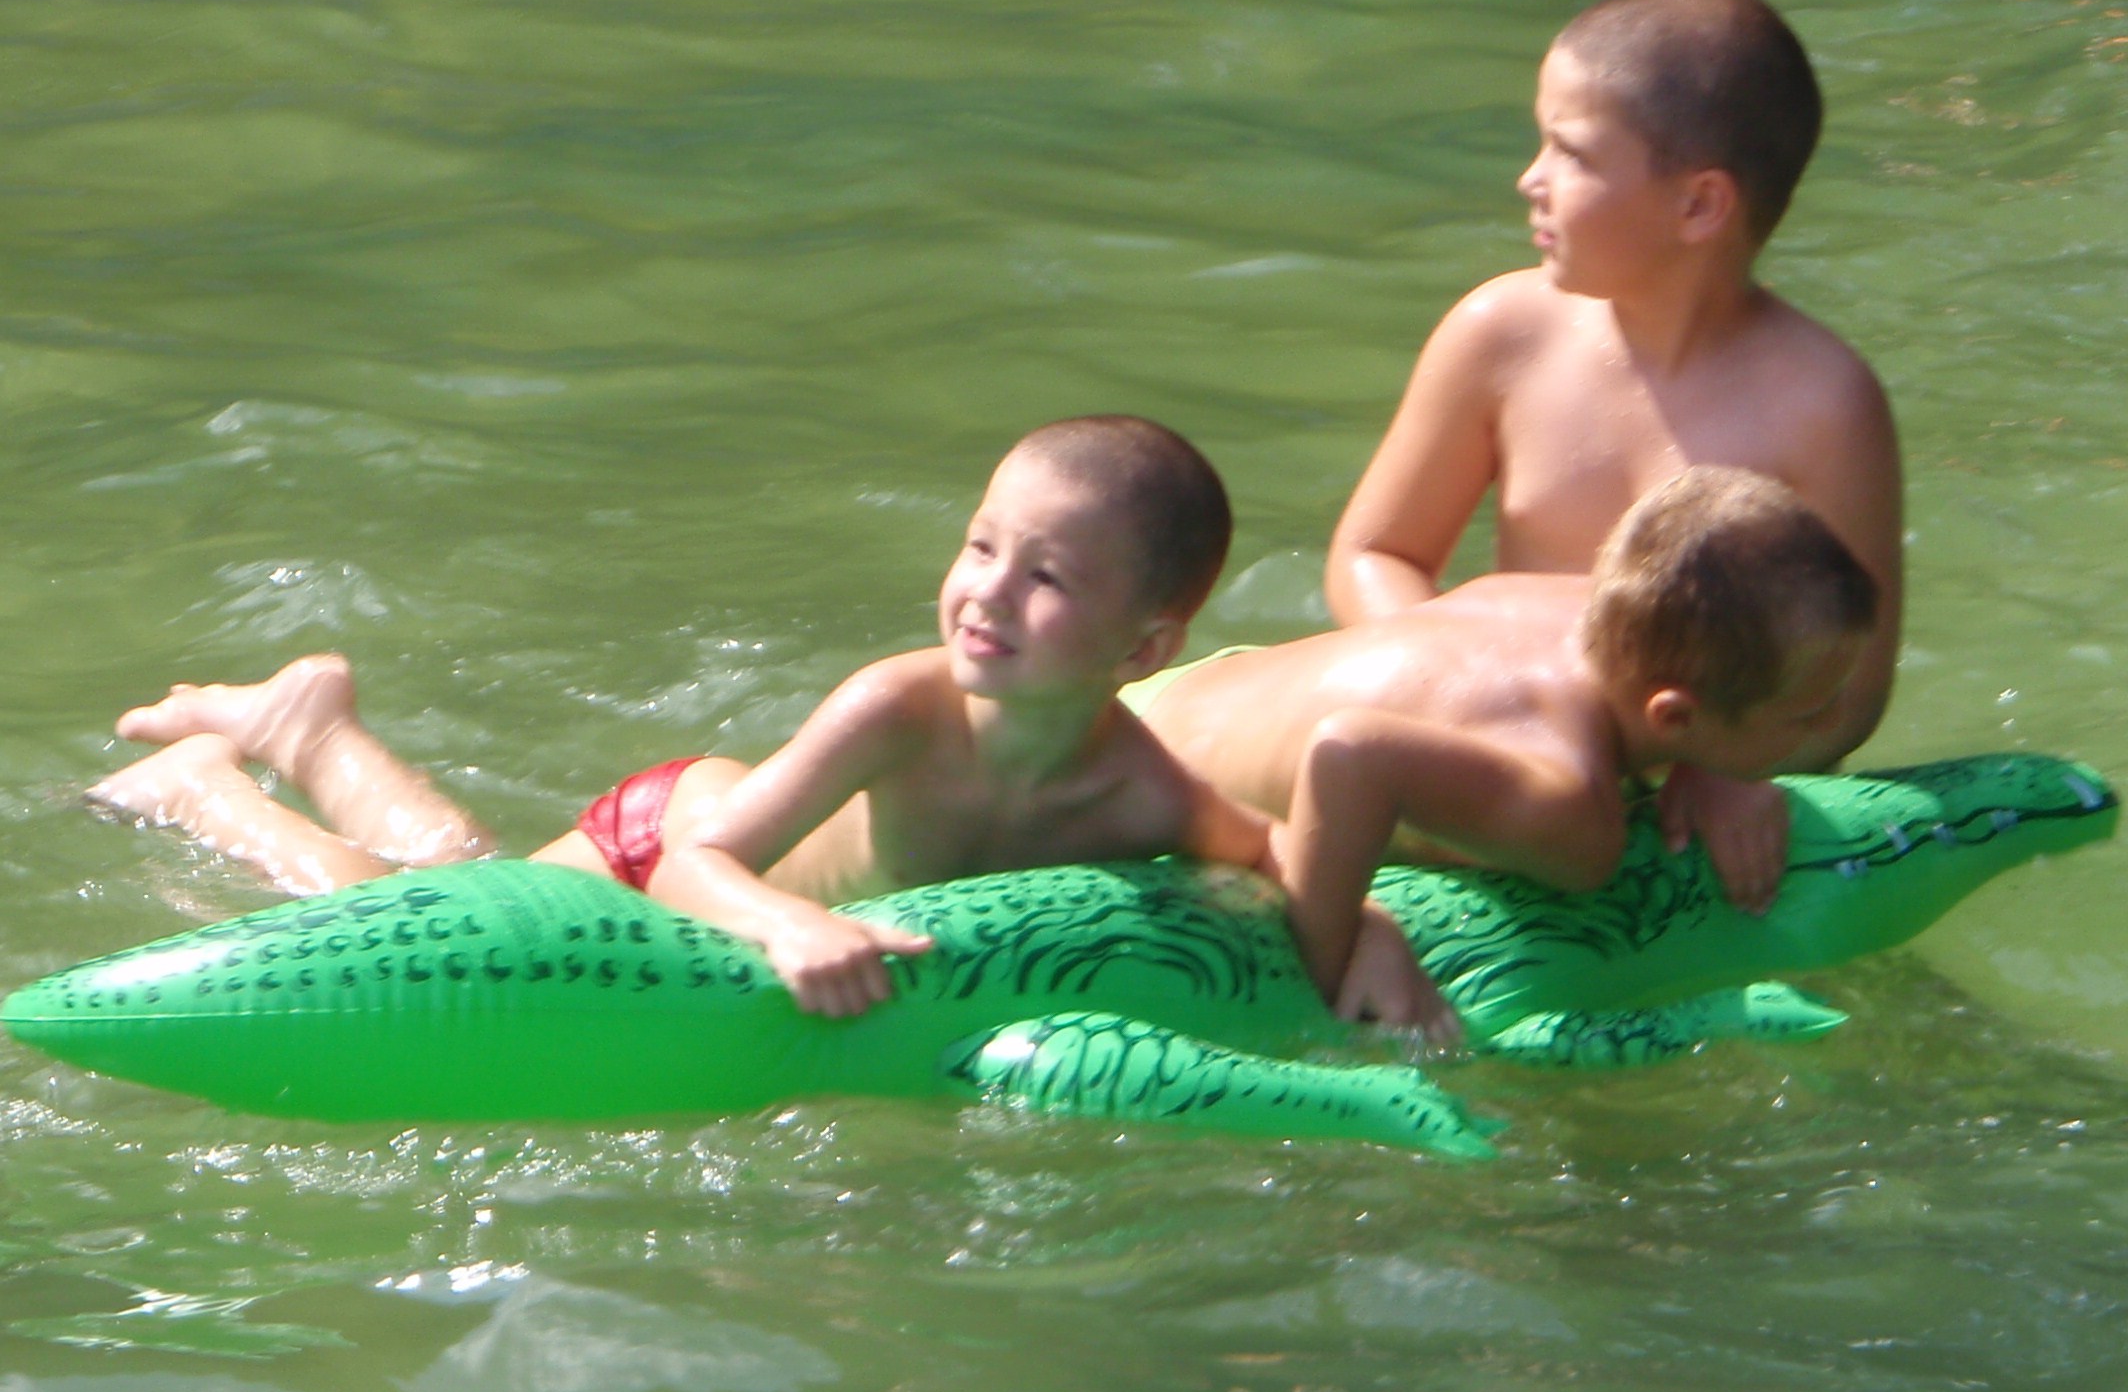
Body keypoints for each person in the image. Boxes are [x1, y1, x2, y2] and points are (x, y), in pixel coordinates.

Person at [93, 415, 1448, 1033]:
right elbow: (701, 864)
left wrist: (1370, 932)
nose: (986, 592)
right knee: (425, 919)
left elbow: (1277, 851)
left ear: (1145, 650)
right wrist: (788, 924)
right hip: (676, 843)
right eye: (981, 545)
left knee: (457, 868)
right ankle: (219, 783)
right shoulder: (901, 706)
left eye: (1046, 579)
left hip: (740, 858)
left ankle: (311, 725)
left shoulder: (1140, 788)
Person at [1321, 0, 1901, 912]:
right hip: (1513, 767)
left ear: (1700, 204)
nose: (1531, 178)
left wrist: (1729, 763)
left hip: (1706, 804)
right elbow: (1376, 551)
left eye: (1573, 153)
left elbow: (1854, 688)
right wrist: (1459, 692)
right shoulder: (1500, 335)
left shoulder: (1824, 404)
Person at [1140, 466, 1878, 1003]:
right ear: (1675, 716)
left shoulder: (1595, 609)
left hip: (1198, 685)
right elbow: (1350, 756)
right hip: (1151, 774)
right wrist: (1327, 965)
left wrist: (1703, 764)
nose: (1833, 722)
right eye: (1807, 713)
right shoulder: (1570, 808)